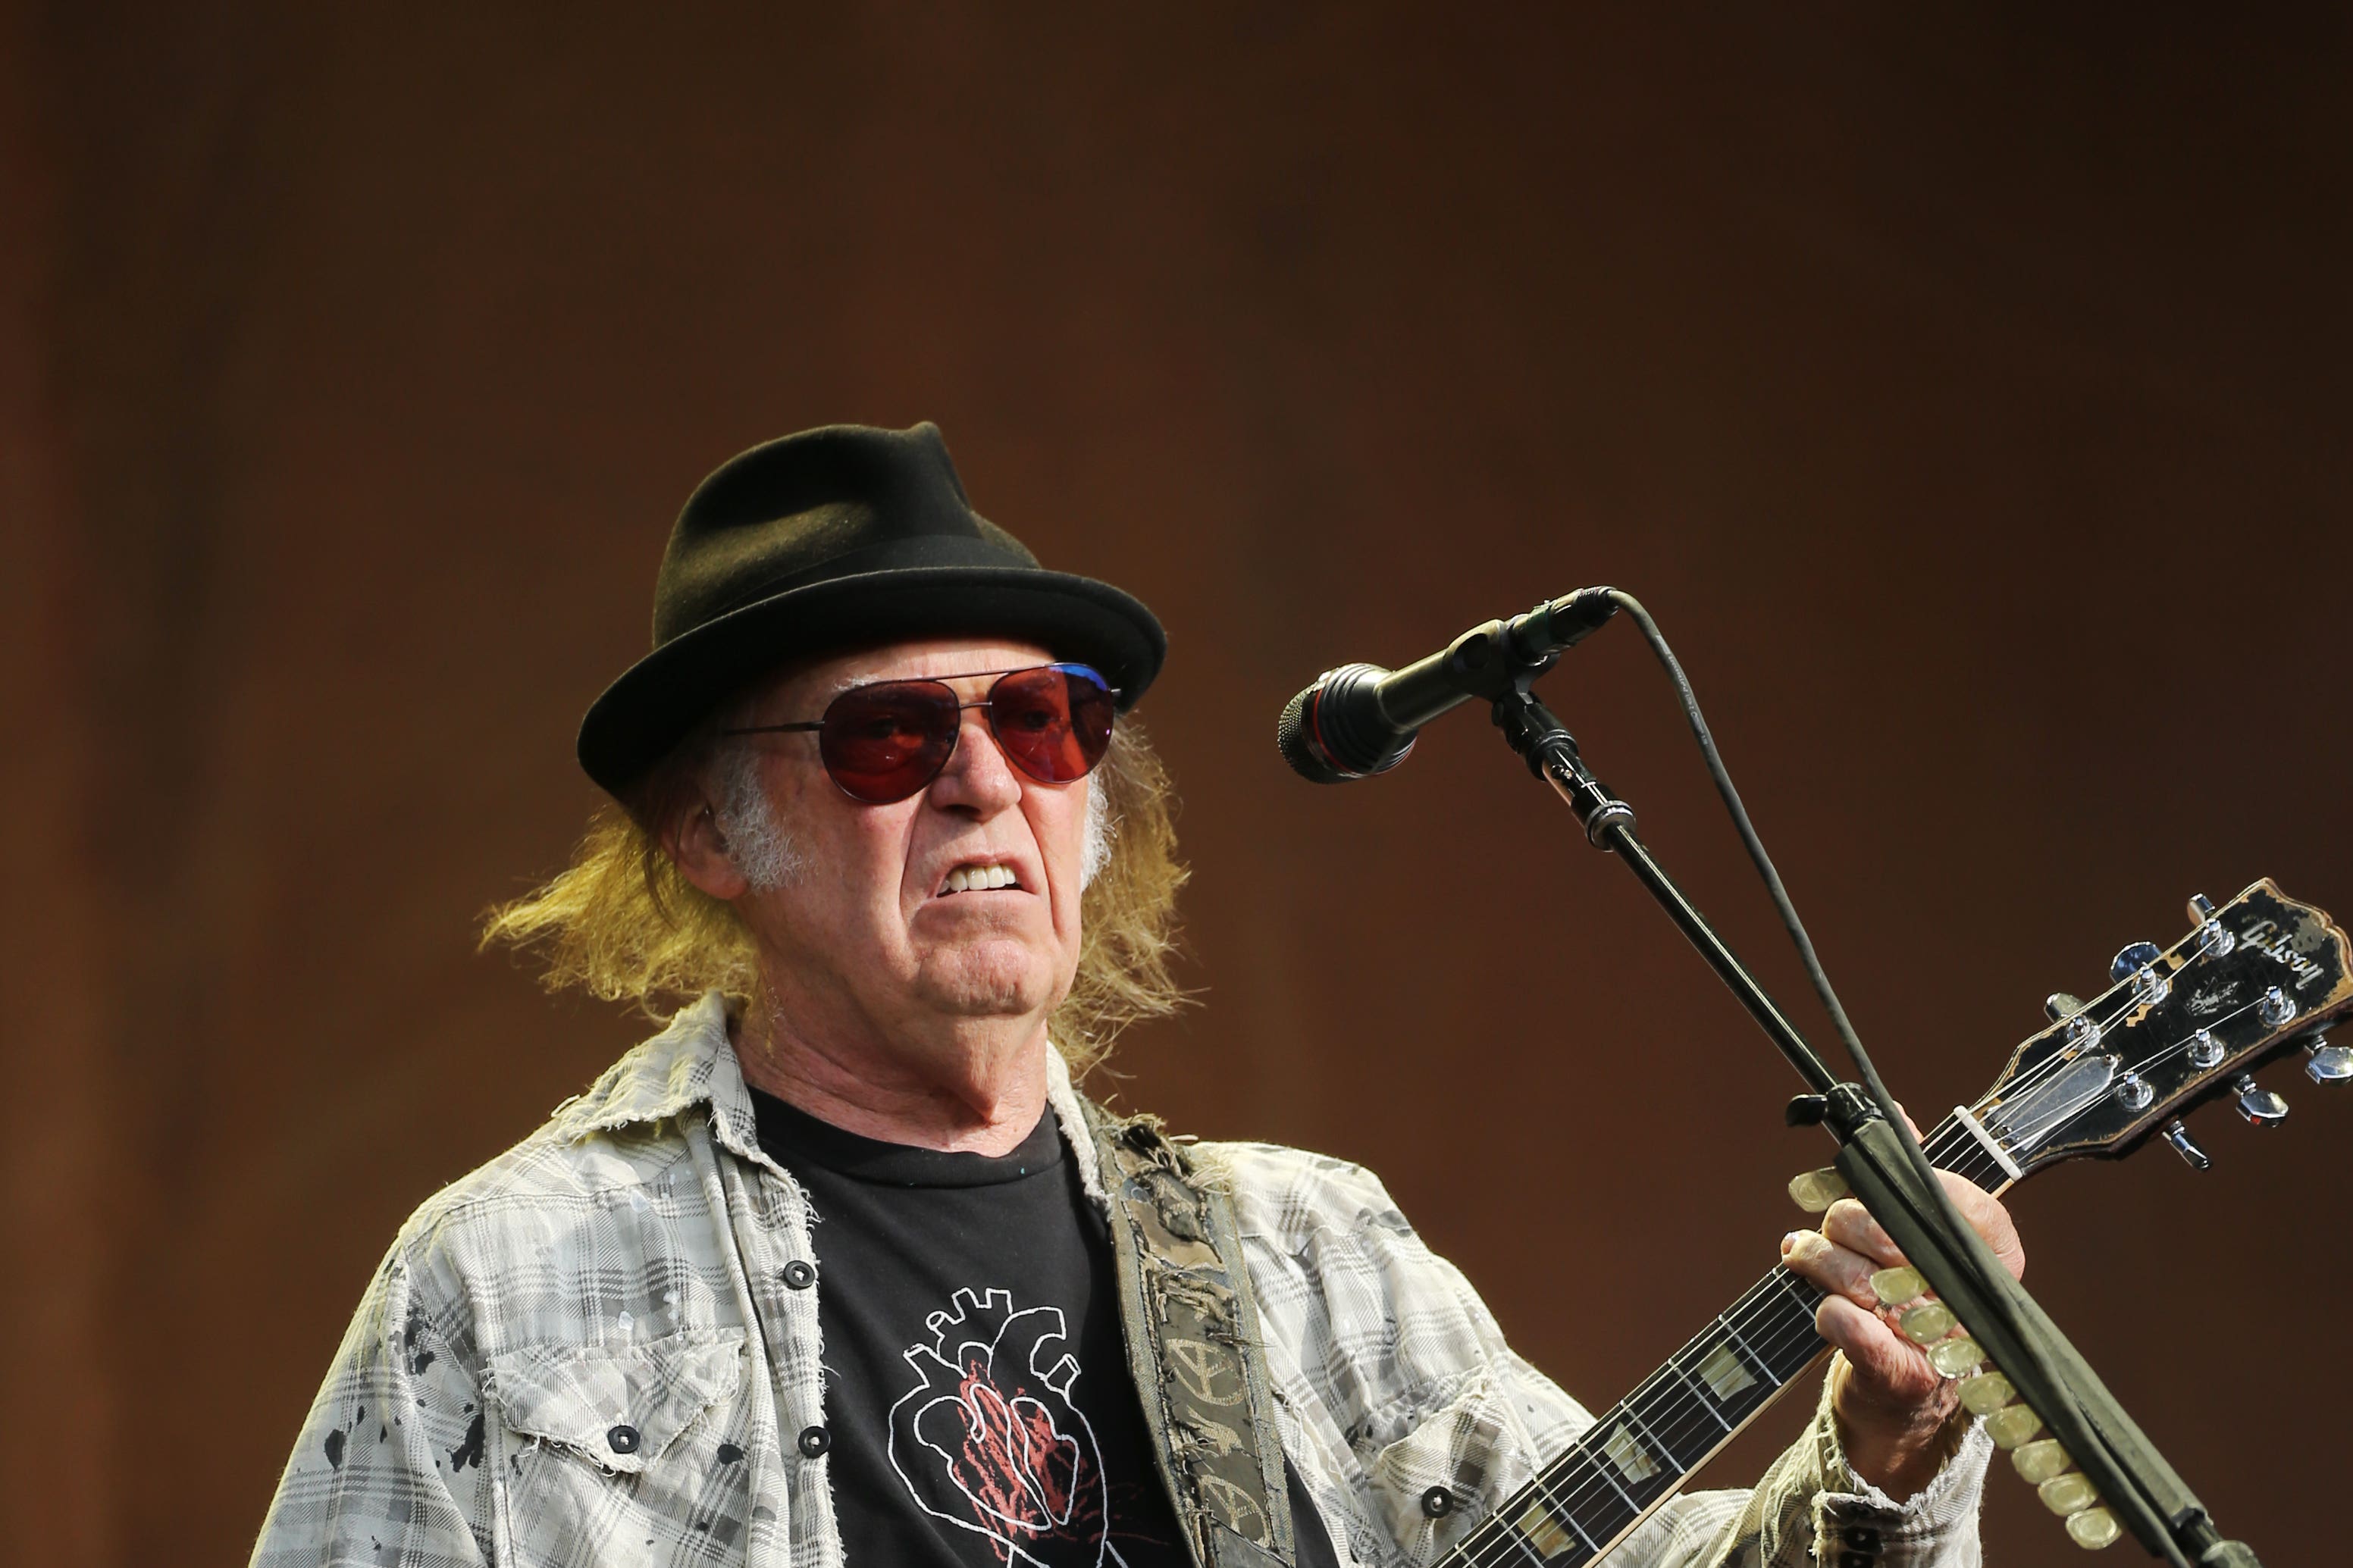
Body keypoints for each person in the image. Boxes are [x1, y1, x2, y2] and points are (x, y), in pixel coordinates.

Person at [252, 423, 2019, 1568]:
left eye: (1036, 722)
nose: (979, 782)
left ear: (1092, 806)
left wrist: (1885, 1447)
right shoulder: (512, 1281)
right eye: (886, 734)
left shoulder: (1305, 1258)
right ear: (712, 834)